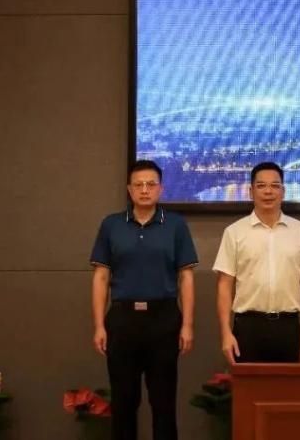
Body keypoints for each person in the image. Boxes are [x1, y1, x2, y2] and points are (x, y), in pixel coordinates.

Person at [89, 160, 197, 440]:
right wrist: (99, 325)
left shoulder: (175, 225)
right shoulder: (111, 225)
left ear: (161, 189)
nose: (145, 190)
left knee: (163, 402)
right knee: (124, 402)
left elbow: (186, 277)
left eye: (151, 184)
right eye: (138, 185)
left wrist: (187, 325)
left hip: (164, 319)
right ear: (129, 189)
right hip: (122, 320)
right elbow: (101, 277)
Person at [214, 162, 300, 364]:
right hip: (248, 326)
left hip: (288, 326)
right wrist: (226, 332)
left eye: (275, 186)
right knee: (249, 384)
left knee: (287, 385)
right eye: (261, 186)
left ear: (283, 191)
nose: (268, 191)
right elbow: (224, 285)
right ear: (251, 192)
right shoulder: (234, 232)